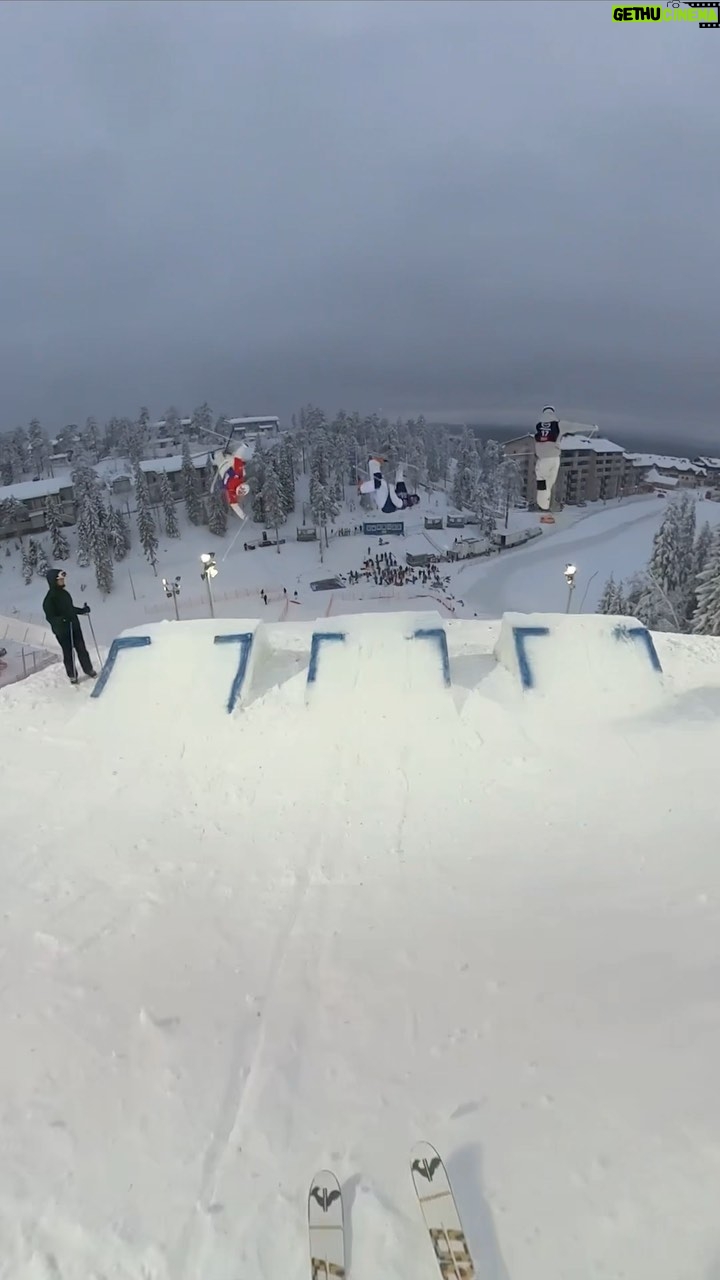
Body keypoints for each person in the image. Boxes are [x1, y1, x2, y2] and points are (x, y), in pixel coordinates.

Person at [533, 406, 598, 511]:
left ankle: (543, 506)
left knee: (541, 481)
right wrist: (592, 427)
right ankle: (547, 504)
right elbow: (574, 426)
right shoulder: (559, 424)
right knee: (550, 482)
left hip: (543, 459)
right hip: (555, 458)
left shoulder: (539, 426)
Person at [42, 568, 96, 683]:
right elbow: (50, 617)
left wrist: (82, 610)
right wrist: (62, 620)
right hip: (63, 631)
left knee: (82, 649)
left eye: (63, 579)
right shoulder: (49, 599)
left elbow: (70, 609)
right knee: (68, 653)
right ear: (53, 581)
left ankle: (89, 669)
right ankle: (72, 675)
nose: (63, 581)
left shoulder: (65, 594)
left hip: (75, 627)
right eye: (60, 579)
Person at [213, 447, 249, 517]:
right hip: (227, 465)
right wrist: (243, 447)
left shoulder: (232, 492)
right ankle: (225, 454)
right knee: (234, 462)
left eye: (240, 493)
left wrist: (243, 515)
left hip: (224, 467)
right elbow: (238, 457)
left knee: (221, 459)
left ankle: (218, 455)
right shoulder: (239, 475)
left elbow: (234, 505)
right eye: (241, 491)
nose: (239, 492)